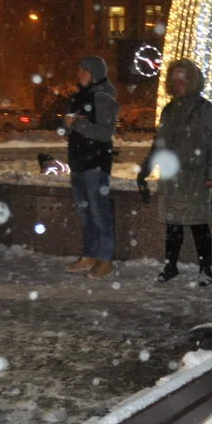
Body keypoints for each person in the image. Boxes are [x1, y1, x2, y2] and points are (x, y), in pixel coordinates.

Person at [137, 59, 212, 287]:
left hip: (194, 179)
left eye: (182, 79)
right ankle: (170, 265)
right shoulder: (169, 110)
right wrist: (144, 171)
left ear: (192, 81)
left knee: (198, 225)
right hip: (171, 178)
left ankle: (205, 268)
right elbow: (159, 144)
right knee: (172, 226)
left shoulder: (205, 111)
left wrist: (210, 174)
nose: (177, 84)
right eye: (174, 79)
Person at [64, 55, 119, 280]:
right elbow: (69, 128)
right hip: (78, 163)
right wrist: (69, 125)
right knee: (85, 214)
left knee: (99, 214)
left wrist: (77, 123)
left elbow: (105, 132)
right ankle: (90, 255)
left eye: (83, 71)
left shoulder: (104, 96)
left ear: (94, 73)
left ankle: (105, 260)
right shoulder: (79, 96)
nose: (78, 75)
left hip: (95, 164)